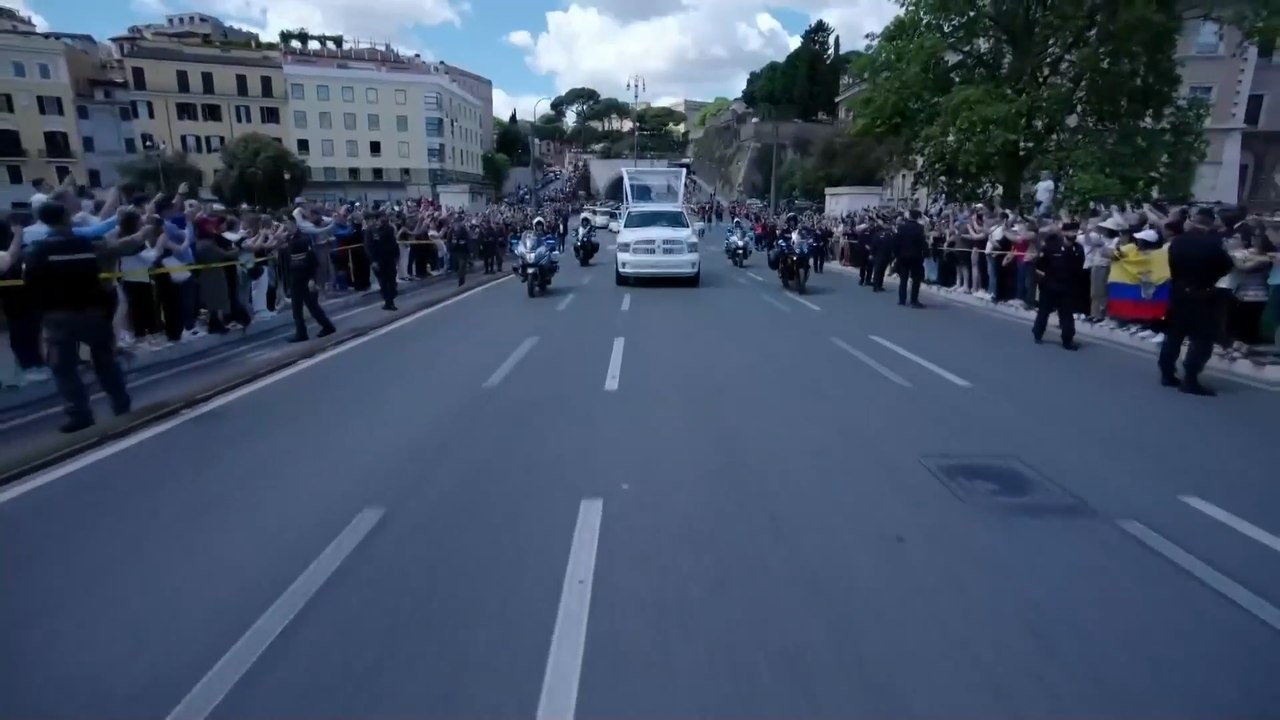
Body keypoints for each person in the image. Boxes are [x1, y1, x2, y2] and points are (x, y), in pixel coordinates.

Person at [22, 202, 138, 433]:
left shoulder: (37, 250)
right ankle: (121, 403)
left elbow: (30, 285)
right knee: (105, 361)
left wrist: (42, 311)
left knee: (63, 366)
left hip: (58, 316)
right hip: (92, 311)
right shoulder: (86, 244)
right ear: (66, 216)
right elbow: (103, 272)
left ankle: (79, 413)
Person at [1158, 206, 1234, 395]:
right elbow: (1226, 266)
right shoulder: (1214, 243)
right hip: (1204, 293)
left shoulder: (1178, 242)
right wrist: (1209, 278)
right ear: (1210, 222)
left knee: (1174, 335)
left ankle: (1167, 373)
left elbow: (1171, 265)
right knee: (1202, 338)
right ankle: (1190, 378)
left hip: (1179, 292)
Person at [1031, 226, 1083, 350]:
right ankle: (1038, 334)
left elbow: (1079, 268)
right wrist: (1042, 281)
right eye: (1070, 230)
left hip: (1068, 287)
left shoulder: (1078, 249)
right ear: (1064, 232)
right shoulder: (1051, 246)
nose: (1073, 233)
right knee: (1043, 312)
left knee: (1066, 315)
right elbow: (1039, 265)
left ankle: (1067, 340)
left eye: (1075, 231)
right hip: (1050, 285)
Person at [285, 226, 337, 342]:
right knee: (298, 308)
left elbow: (312, 260)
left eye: (287, 223)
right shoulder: (290, 239)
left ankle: (326, 326)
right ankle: (302, 332)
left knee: (312, 306)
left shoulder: (302, 240)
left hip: (305, 277)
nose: (286, 227)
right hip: (296, 277)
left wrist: (312, 278)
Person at [364, 211, 399, 311]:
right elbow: (368, 247)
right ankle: (389, 302)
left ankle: (390, 299)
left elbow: (393, 243)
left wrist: (396, 255)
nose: (384, 218)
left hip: (390, 259)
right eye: (382, 217)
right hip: (378, 260)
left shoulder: (389, 229)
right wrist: (373, 261)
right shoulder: (370, 231)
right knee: (383, 283)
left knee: (392, 282)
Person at [894, 209, 928, 307]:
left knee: (903, 278)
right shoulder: (920, 228)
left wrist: (896, 255)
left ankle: (902, 299)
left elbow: (897, 242)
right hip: (915, 257)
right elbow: (923, 243)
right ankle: (914, 300)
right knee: (916, 279)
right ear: (918, 217)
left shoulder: (901, 227)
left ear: (909, 216)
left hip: (902, 256)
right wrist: (925, 254)